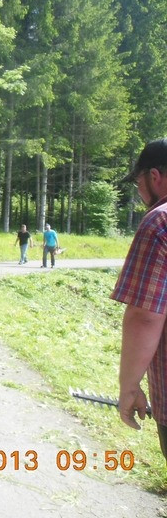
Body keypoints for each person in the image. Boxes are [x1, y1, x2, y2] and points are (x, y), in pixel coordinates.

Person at [111, 138, 167, 463]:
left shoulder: (159, 221)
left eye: (138, 183)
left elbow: (145, 316)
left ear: (154, 176)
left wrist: (128, 388)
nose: (140, 192)